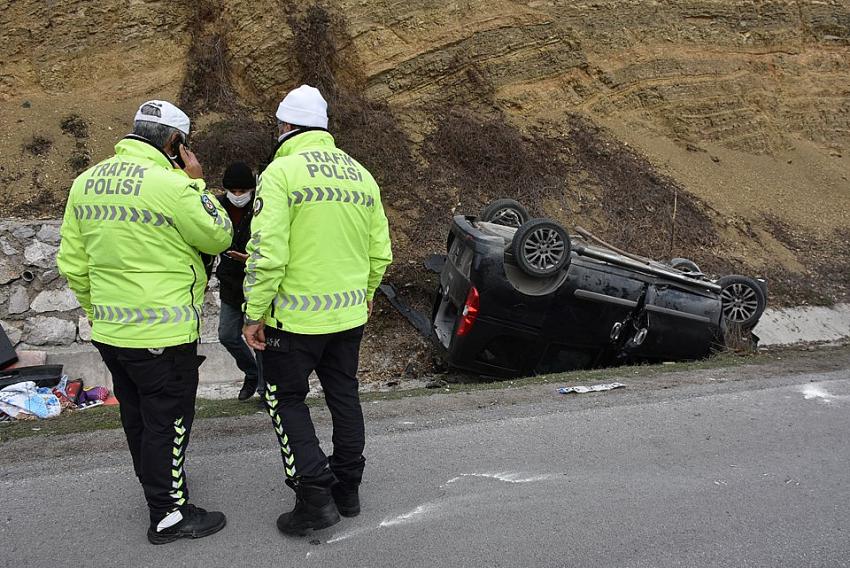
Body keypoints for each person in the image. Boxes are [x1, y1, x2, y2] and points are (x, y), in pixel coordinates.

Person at [56, 100, 233, 545]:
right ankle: (169, 515)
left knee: (137, 419)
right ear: (175, 142)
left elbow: (72, 263)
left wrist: (100, 312)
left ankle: (160, 494)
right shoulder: (172, 186)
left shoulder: (86, 182)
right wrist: (196, 184)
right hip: (162, 333)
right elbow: (219, 234)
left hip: (113, 333)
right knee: (169, 421)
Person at [242, 85, 392, 536]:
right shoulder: (360, 175)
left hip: (293, 321)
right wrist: (366, 292)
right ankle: (349, 489)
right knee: (343, 396)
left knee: (285, 400)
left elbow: (267, 252)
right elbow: (380, 251)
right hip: (348, 317)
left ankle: (314, 496)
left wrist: (253, 313)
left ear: (286, 126)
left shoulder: (281, 172)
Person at [215, 162, 263, 401]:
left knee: (261, 336)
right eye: (232, 191)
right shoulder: (216, 206)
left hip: (258, 280)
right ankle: (252, 373)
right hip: (230, 282)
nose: (237, 196)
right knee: (227, 334)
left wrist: (252, 259)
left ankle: (266, 388)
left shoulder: (261, 206)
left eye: (242, 191)